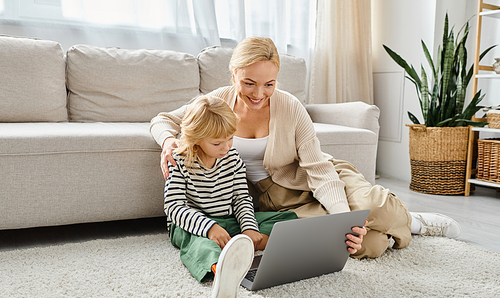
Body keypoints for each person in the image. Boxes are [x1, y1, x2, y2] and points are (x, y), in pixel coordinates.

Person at [152, 36, 460, 261]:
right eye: (248, 83)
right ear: (233, 74)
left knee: (369, 209)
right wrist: (169, 141)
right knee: (361, 245)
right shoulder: (217, 104)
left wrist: (342, 216)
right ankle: (384, 233)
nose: (259, 94)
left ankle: (414, 222)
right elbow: (162, 120)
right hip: (276, 199)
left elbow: (319, 171)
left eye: (269, 84)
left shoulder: (290, 106)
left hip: (318, 174)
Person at [163, 94, 297, 298]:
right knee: (201, 246)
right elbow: (175, 207)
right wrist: (209, 228)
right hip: (191, 225)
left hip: (227, 220)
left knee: (284, 218)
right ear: (196, 138)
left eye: (230, 138)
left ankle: (252, 243)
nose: (226, 147)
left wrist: (249, 227)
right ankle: (222, 271)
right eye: (217, 143)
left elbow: (241, 198)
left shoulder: (233, 158)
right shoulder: (178, 160)